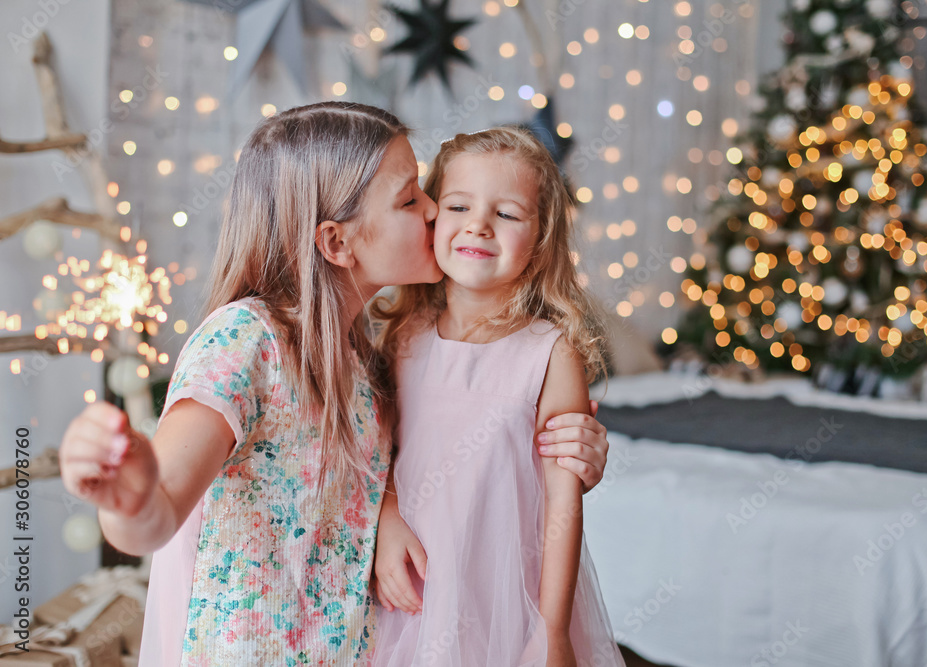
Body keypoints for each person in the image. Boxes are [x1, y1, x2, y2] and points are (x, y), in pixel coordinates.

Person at [57, 102, 610, 666]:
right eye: (411, 198)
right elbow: (157, 512)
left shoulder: (364, 361)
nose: (434, 212)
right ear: (338, 243)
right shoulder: (247, 341)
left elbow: (398, 469)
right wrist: (128, 495)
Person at [371, 127, 625, 666]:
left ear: (539, 242)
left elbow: (563, 500)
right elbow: (379, 455)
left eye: (507, 214)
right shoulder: (403, 338)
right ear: (433, 217)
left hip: (509, 596)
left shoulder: (550, 353)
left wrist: (552, 631)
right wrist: (388, 516)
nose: (479, 225)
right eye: (459, 205)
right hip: (415, 587)